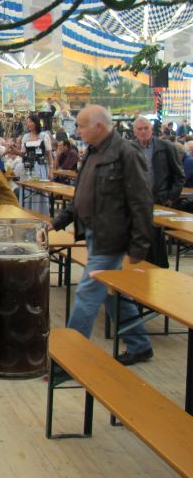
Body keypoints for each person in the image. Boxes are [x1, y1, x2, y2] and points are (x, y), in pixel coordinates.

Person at [51, 105, 154, 366]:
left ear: (98, 126)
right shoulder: (93, 152)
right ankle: (140, 345)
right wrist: (59, 221)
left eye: (81, 126)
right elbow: (81, 195)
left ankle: (69, 361)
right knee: (110, 293)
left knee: (86, 296)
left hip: (111, 239)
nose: (78, 131)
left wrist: (139, 248)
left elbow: (142, 203)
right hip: (94, 235)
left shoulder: (126, 153)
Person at [132, 116, 185, 268]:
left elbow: (179, 176)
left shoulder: (166, 147)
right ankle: (137, 271)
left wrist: (171, 197)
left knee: (155, 238)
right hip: (135, 200)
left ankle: (159, 269)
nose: (143, 132)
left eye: (146, 128)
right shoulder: (129, 148)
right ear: (134, 132)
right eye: (139, 129)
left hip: (158, 199)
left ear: (151, 129)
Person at [20, 113, 53, 214]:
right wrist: (13, 150)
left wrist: (51, 170)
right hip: (27, 167)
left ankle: (40, 213)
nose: (28, 124)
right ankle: (27, 213)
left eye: (30, 122)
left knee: (39, 192)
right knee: (27, 191)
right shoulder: (25, 137)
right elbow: (22, 153)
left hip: (39, 167)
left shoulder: (44, 135)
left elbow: (49, 154)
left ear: (36, 123)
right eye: (27, 122)